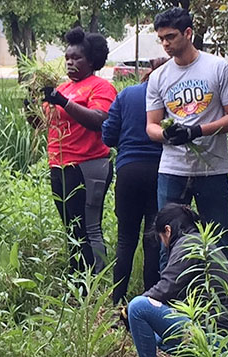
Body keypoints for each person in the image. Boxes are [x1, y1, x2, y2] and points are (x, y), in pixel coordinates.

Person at [112, 204, 228, 357]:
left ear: (168, 230)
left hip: (216, 342)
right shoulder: (206, 244)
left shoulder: (187, 244)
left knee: (139, 307)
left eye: (161, 238)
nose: (164, 244)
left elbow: (166, 287)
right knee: (153, 333)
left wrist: (129, 310)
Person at [145, 8, 228, 261]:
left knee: (218, 239)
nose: (165, 44)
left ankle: (222, 297)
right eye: (162, 39)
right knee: (168, 241)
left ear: (188, 33)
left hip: (212, 168)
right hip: (172, 168)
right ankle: (170, 298)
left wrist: (198, 131)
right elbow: (151, 125)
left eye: (171, 36)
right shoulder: (159, 76)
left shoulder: (218, 67)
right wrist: (168, 135)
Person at [39, 27, 116, 273]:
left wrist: (63, 102)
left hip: (88, 164)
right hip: (60, 165)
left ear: (91, 60)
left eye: (77, 58)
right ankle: (77, 278)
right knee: (71, 227)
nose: (70, 63)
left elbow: (99, 119)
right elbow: (46, 124)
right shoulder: (62, 88)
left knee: (88, 226)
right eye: (67, 58)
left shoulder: (100, 87)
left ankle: (96, 280)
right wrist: (32, 110)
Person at [101, 58, 168, 304]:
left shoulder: (127, 94)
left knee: (125, 239)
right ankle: (150, 300)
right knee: (153, 239)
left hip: (128, 171)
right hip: (161, 170)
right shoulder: (171, 98)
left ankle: (117, 299)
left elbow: (108, 135)